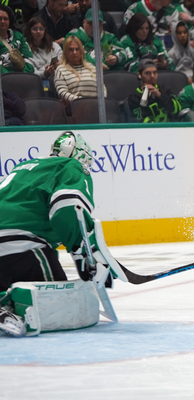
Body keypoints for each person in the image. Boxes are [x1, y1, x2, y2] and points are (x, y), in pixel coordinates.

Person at [0, 131, 126, 337]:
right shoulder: (69, 166)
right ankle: (11, 304)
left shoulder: (21, 169)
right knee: (58, 305)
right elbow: (68, 207)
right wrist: (83, 253)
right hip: (22, 247)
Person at [54, 35, 107, 105]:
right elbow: (62, 93)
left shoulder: (92, 68)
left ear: (81, 51)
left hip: (97, 106)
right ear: (66, 52)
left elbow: (102, 89)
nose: (74, 52)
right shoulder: (60, 70)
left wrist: (100, 100)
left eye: (77, 49)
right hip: (75, 107)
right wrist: (81, 102)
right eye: (71, 49)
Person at [128, 58, 182, 123]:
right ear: (139, 75)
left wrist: (160, 95)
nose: (152, 76)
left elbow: (177, 109)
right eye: (147, 73)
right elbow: (141, 120)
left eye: (155, 72)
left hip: (168, 129)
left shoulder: (164, 89)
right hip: (150, 131)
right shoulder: (134, 96)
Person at [24, 16, 62, 82]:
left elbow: (64, 63)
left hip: (58, 77)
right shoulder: (25, 49)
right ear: (29, 30)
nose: (38, 32)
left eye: (41, 29)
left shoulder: (54, 46)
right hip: (38, 81)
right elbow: (30, 72)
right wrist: (44, 73)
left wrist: (58, 65)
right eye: (34, 29)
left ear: (45, 30)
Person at [0, 5, 35, 74]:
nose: (2, 21)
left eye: (5, 19)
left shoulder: (19, 36)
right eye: (0, 19)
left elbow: (29, 59)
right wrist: (8, 76)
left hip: (21, 76)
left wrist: (24, 75)